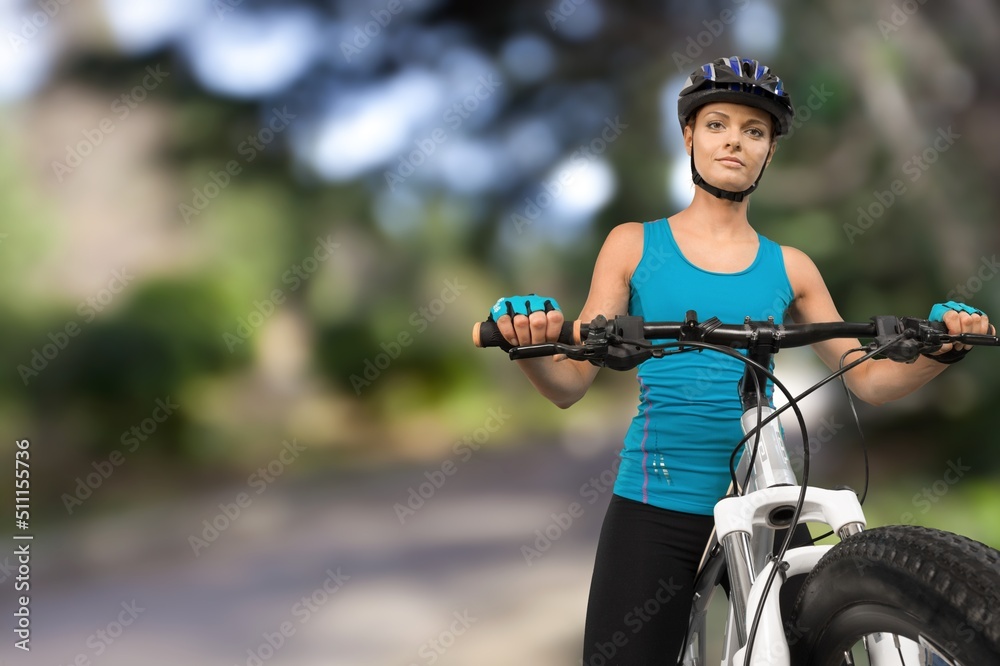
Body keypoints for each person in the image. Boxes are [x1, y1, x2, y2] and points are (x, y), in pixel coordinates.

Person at [484, 56, 993, 664]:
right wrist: (528, 343)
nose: (734, 141)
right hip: (659, 499)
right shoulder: (632, 243)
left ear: (769, 152)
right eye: (717, 124)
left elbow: (871, 381)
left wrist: (942, 351)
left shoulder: (793, 266)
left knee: (815, 645)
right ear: (689, 137)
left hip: (767, 500)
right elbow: (569, 384)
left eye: (754, 131)